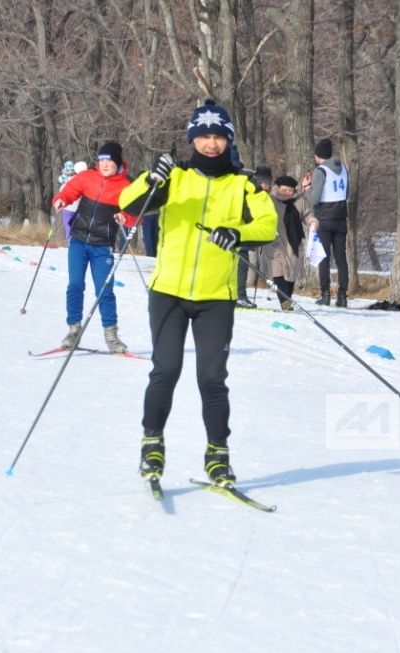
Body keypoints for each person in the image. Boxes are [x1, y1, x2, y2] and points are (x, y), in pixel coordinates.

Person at [119, 99, 277, 486]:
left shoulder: (243, 184)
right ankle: (152, 445)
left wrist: (238, 233)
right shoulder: (175, 177)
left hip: (215, 298)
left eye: (218, 137)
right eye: (203, 136)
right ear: (192, 138)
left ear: (228, 140)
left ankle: (217, 456)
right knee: (166, 370)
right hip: (168, 292)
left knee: (211, 378)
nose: (210, 144)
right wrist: (149, 178)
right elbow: (129, 206)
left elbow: (269, 224)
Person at [50, 141, 133, 354]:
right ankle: (73, 329)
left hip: (102, 246)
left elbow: (135, 212)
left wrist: (124, 216)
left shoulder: (125, 185)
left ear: (117, 162)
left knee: (104, 290)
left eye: (109, 160)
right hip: (78, 240)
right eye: (101, 160)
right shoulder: (87, 177)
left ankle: (111, 335)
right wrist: (60, 199)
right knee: (75, 284)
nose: (104, 164)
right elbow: (69, 192)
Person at [303, 137, 349, 306]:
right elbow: (347, 192)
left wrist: (307, 189)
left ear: (318, 156)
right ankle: (343, 296)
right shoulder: (344, 168)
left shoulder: (320, 171)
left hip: (324, 218)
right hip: (341, 217)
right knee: (341, 258)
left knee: (324, 257)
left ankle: (325, 295)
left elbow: (314, 199)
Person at [260, 175, 314, 311]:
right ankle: (284, 301)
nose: (287, 193)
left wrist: (312, 221)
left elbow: (307, 214)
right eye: (284, 190)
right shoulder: (270, 199)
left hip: (293, 242)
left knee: (290, 274)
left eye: (290, 191)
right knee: (277, 272)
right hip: (274, 242)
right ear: (278, 188)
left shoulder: (299, 200)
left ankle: (287, 299)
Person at [235, 165, 274, 308]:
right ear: (259, 182)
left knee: (242, 263)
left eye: (270, 185)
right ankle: (239, 295)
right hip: (238, 231)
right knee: (241, 263)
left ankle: (239, 295)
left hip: (243, 232)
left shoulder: (259, 194)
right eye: (267, 184)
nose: (268, 188)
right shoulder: (250, 190)